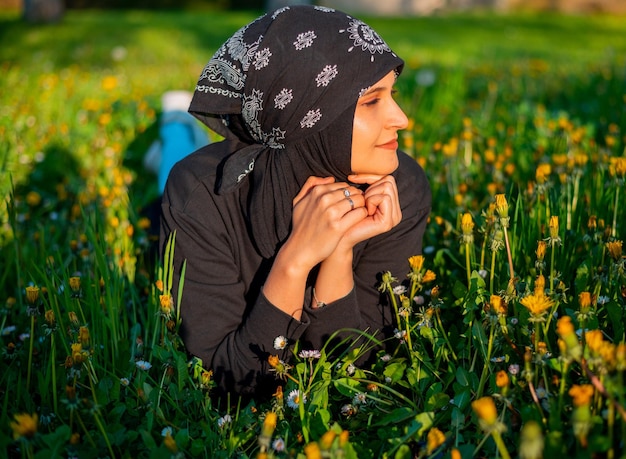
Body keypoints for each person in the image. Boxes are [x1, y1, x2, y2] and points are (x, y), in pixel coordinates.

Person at [159, 5, 431, 399]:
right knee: (174, 162)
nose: (402, 118)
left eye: (393, 94)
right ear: (308, 117)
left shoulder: (399, 189)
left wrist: (338, 251)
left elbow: (355, 372)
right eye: (372, 101)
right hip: (187, 190)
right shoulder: (201, 193)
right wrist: (295, 260)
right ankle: (173, 127)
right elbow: (229, 382)